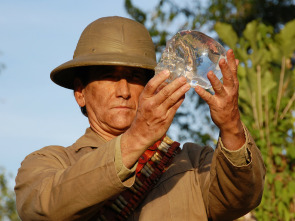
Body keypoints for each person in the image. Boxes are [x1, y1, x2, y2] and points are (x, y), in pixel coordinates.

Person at [15, 16, 265, 221]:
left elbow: (240, 198)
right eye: (109, 75)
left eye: (135, 77)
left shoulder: (193, 162)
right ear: (80, 93)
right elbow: (44, 209)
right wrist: (138, 138)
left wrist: (231, 128)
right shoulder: (48, 163)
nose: (123, 91)